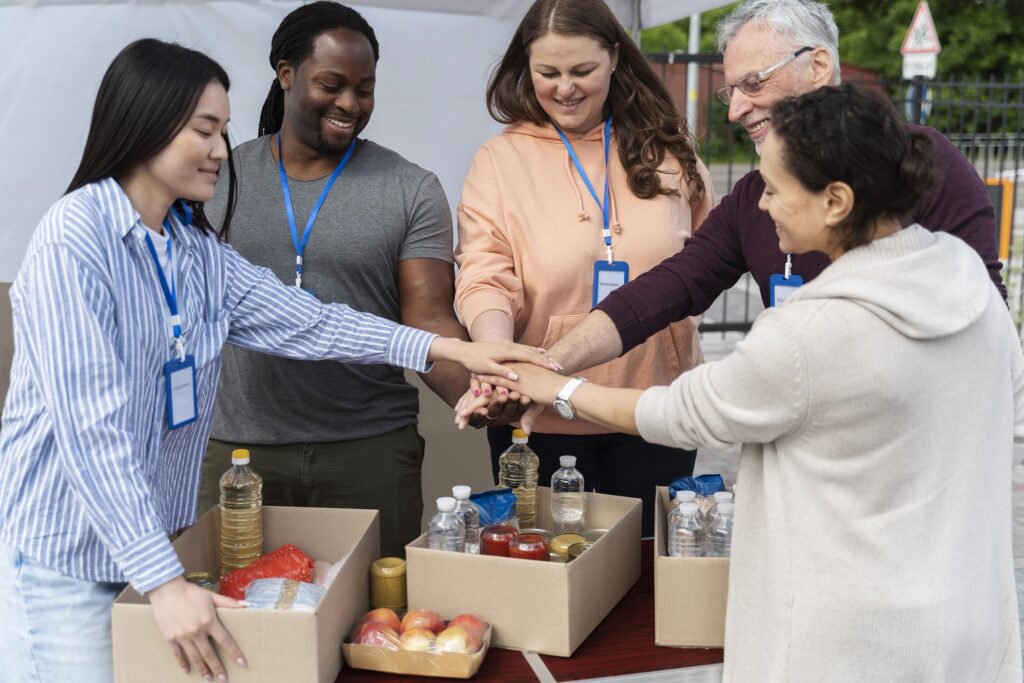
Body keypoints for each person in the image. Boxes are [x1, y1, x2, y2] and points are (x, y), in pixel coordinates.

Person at [0, 38, 547, 683]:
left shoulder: (190, 247)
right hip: (70, 563)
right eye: (204, 130)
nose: (221, 150)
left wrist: (445, 346)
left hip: (152, 553)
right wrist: (164, 582)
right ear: (145, 125)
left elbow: (311, 323)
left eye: (224, 130)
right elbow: (90, 432)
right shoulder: (75, 239)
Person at [472, 83, 1024, 682]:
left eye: (776, 189)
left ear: (836, 200)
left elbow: (682, 412)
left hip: (849, 642)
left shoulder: (812, 332)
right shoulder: (965, 281)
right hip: (962, 623)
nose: (761, 206)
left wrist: (552, 387)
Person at [529, 0, 1004, 408]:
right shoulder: (754, 194)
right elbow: (670, 286)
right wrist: (550, 362)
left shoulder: (921, 161)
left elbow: (981, 320)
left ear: (818, 66)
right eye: (730, 90)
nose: (735, 109)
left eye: (753, 83)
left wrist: (560, 390)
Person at [195, 3, 519, 557]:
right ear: (285, 73)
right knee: (238, 620)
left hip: (368, 450)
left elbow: (430, 320)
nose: (350, 103)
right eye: (332, 84)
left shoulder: (409, 187)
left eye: (364, 89)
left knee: (377, 622)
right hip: (239, 452)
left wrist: (480, 393)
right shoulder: (217, 176)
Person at [453, 0, 714, 536]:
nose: (564, 88)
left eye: (582, 71)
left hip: (654, 410)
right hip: (536, 417)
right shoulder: (500, 161)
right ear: (525, 68)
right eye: (548, 73)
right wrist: (497, 361)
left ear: (615, 58)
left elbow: (708, 261)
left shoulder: (670, 150)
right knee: (547, 576)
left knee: (645, 581)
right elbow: (484, 274)